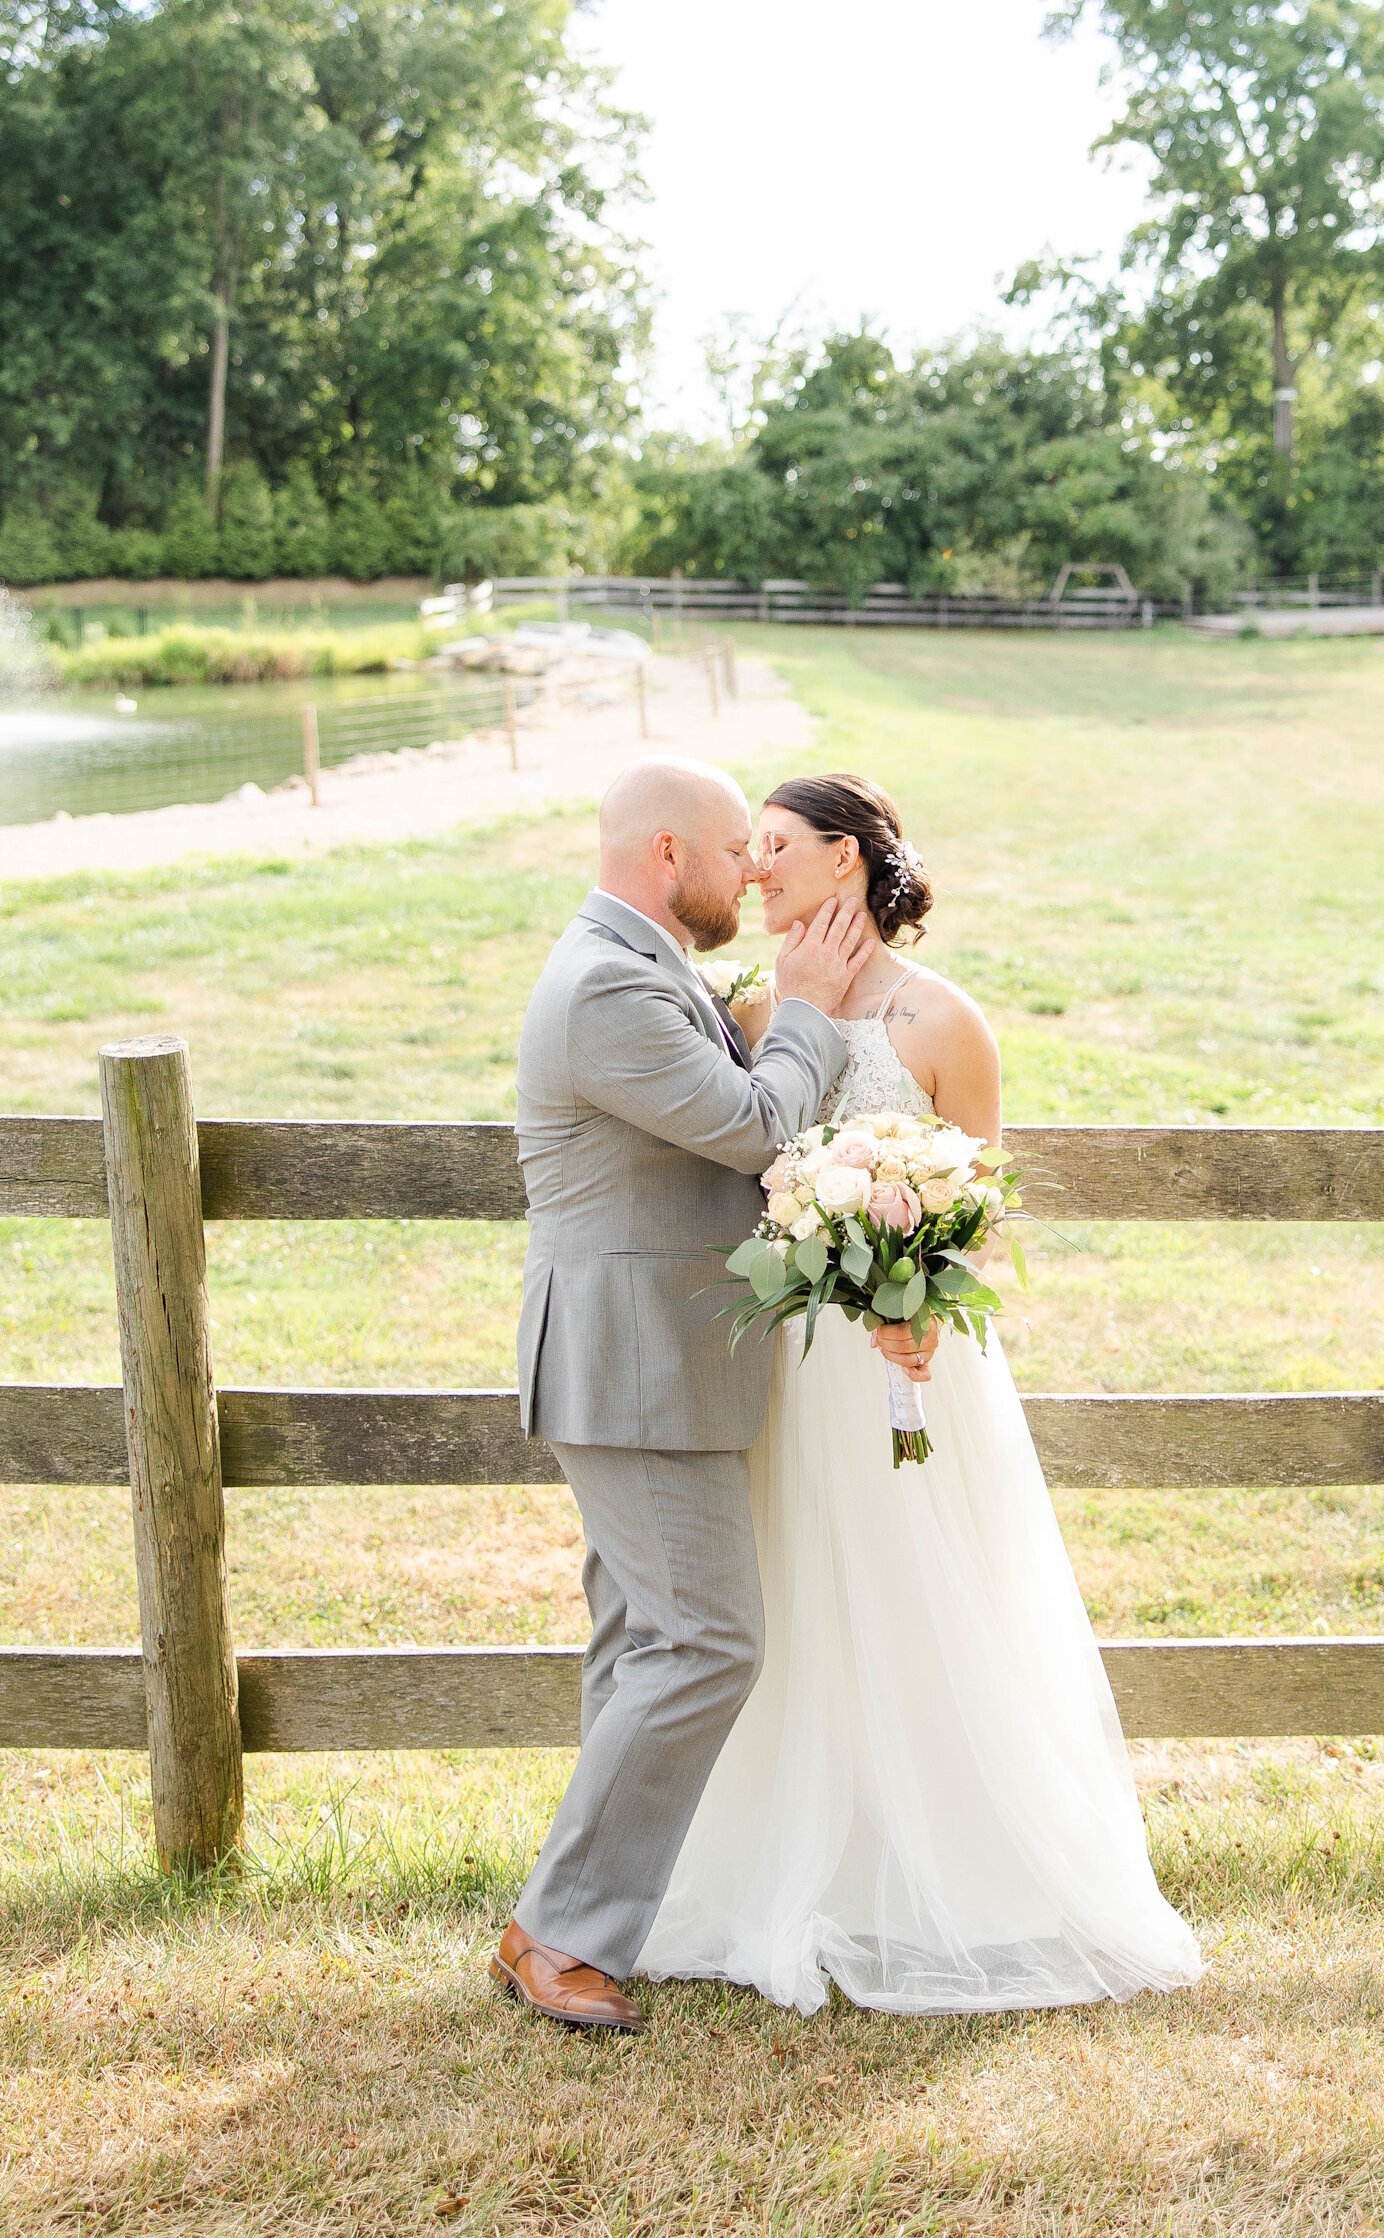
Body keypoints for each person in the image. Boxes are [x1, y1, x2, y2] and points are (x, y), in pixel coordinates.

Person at [636, 772, 1204, 2014]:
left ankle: (957, 1872)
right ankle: (788, 1865)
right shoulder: (746, 1005)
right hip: (783, 1364)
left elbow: (982, 1214)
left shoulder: (945, 1023)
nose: (752, 872)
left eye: (776, 848)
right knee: (786, 1601)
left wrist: (918, 1303)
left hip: (912, 1365)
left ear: (845, 860)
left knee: (926, 1596)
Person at [492, 756, 933, 2032]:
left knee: (642, 1644)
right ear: (668, 854)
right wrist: (800, 1006)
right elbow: (754, 1128)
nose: (753, 870)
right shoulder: (604, 991)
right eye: (736, 847)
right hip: (631, 1365)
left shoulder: (643, 968)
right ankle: (558, 1932)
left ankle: (618, 1914)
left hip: (654, 1363)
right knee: (707, 1643)